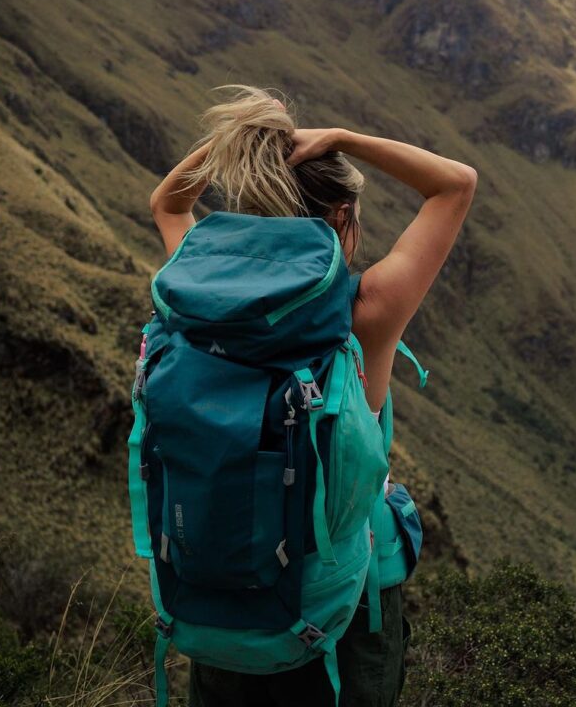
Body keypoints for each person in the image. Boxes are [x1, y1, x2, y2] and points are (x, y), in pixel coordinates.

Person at [148, 84, 477, 707]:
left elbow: (167, 203)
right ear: (342, 221)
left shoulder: (195, 304)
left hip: (221, 599)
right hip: (339, 614)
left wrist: (238, 147)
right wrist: (344, 139)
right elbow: (455, 184)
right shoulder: (364, 315)